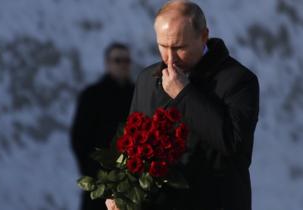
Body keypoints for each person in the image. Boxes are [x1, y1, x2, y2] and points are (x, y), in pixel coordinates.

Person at [106, 1, 259, 210]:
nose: (170, 58)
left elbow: (234, 143)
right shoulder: (147, 80)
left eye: (179, 47)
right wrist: (123, 194)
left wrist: (184, 94)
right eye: (163, 46)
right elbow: (132, 147)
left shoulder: (239, 81)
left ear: (203, 36)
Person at [71, 42, 135, 210]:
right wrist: (92, 171)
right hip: (98, 178)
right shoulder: (92, 95)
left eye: (126, 60)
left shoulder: (137, 94)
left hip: (131, 179)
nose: (123, 64)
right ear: (107, 63)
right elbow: (79, 137)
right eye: (118, 60)